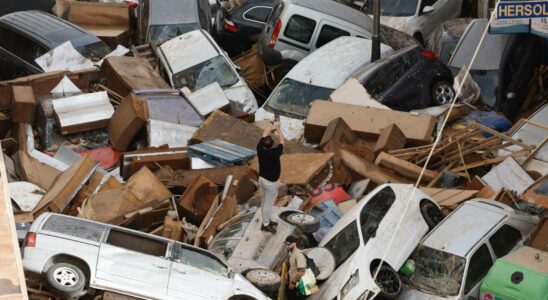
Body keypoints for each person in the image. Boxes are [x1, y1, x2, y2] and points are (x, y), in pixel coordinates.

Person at [257, 119, 285, 233]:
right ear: (272, 144)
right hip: (270, 183)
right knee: (269, 203)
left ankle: (266, 219)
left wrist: (270, 124)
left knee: (264, 200)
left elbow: (264, 134)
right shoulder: (275, 152)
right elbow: (282, 141)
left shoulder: (260, 149)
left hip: (262, 179)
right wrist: (278, 127)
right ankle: (265, 224)